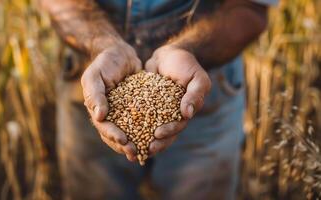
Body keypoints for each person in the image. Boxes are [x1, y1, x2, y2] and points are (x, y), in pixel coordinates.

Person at [41, 0, 277, 199]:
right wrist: (103, 44)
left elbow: (251, 9)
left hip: (204, 85)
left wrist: (187, 49)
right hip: (95, 79)